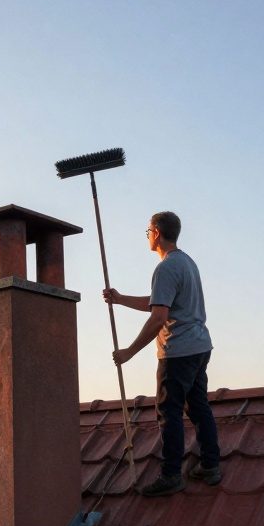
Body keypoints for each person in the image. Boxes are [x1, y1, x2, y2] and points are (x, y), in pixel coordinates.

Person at [104, 211, 221, 496]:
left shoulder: (166, 267)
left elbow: (159, 317)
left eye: (147, 232)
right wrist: (120, 300)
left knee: (168, 412)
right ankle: (210, 465)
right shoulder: (186, 263)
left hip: (177, 352)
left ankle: (171, 475)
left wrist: (129, 352)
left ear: (156, 232)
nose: (147, 237)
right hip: (199, 347)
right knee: (197, 407)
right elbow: (158, 302)